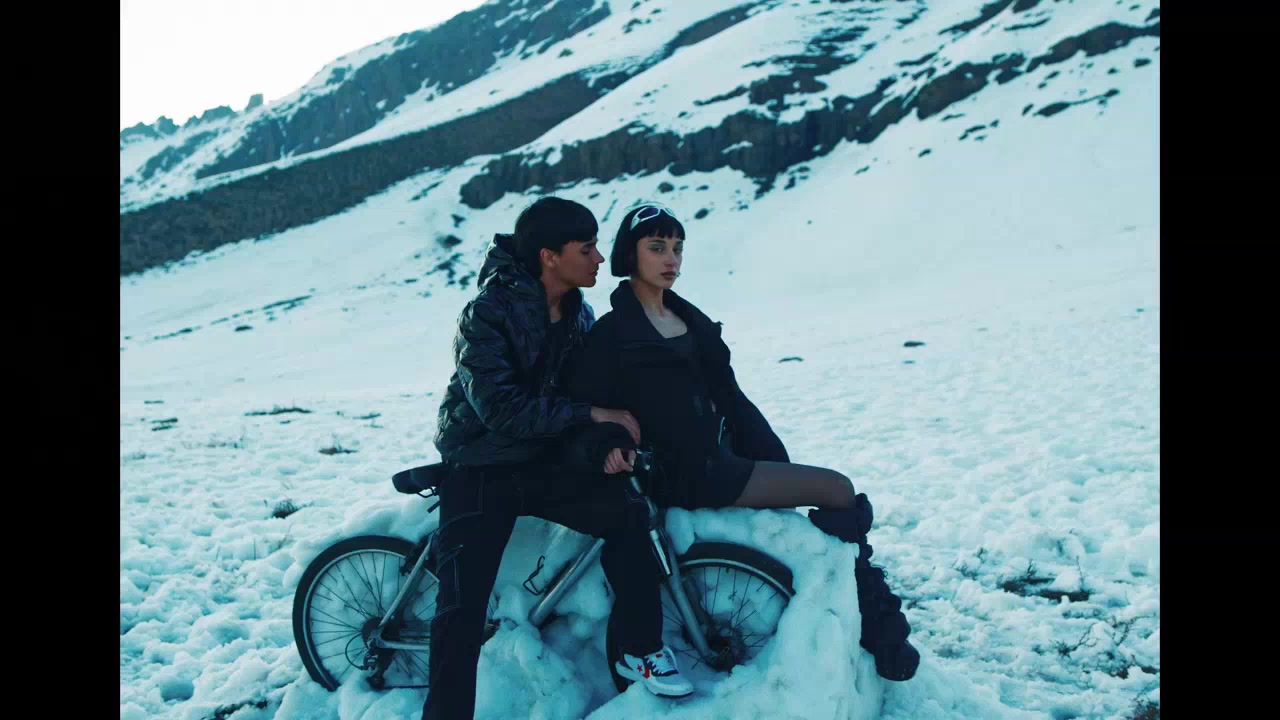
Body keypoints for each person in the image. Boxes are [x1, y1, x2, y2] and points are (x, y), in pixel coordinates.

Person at [563, 202, 920, 682]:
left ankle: (868, 617)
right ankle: (880, 630)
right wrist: (609, 444)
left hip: (719, 459)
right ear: (630, 254)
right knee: (837, 489)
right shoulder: (611, 336)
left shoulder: (690, 321)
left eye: (677, 248)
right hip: (680, 475)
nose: (671, 259)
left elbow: (733, 400)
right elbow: (589, 410)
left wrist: (775, 459)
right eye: (657, 247)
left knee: (834, 491)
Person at [424, 197, 693, 720]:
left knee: (629, 516)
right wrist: (590, 413)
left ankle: (638, 652)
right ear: (550, 256)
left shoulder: (578, 313)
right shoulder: (486, 312)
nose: (599, 258)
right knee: (461, 611)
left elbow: (589, 389)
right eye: (586, 248)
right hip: (478, 467)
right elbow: (501, 410)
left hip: (538, 463)